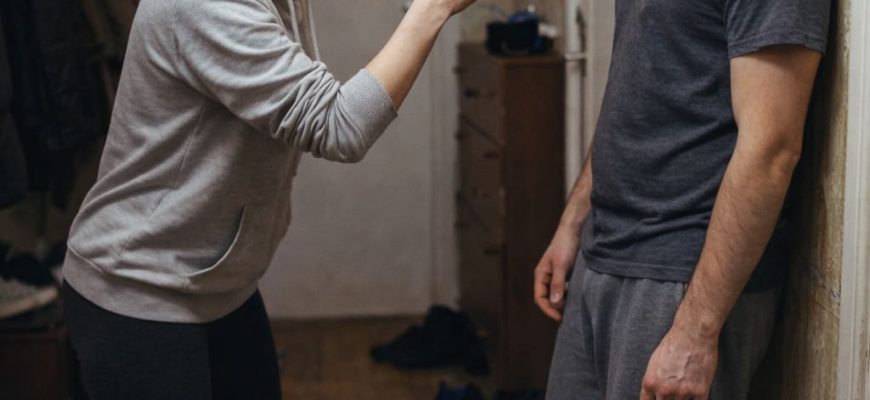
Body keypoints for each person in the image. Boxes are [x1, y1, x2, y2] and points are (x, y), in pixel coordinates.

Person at [61, 0, 476, 399]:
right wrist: (432, 7)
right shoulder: (205, 6)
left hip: (219, 285)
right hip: (140, 287)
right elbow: (340, 126)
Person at [533, 1, 831, 399]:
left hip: (680, 275)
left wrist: (696, 330)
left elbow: (772, 149)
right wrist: (573, 222)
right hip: (602, 249)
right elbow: (640, 79)